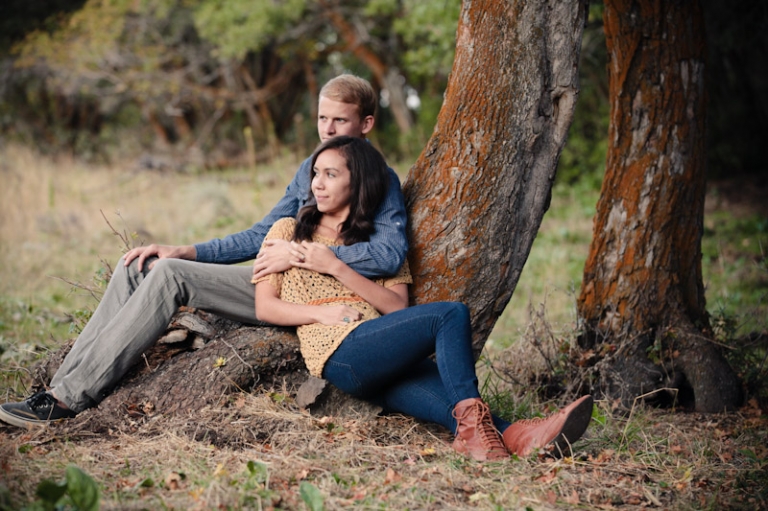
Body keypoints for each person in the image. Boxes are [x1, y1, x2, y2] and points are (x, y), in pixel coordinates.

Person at [0, 75, 408, 428]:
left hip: (319, 293)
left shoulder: (380, 179)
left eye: (340, 119)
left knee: (170, 276)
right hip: (279, 278)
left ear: (365, 123)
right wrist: (187, 250)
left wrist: (303, 257)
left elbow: (389, 255)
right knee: (142, 266)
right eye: (323, 117)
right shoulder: (312, 168)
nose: (328, 128)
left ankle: (69, 399)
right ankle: (59, 387)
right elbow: (261, 234)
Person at [252, 135, 593, 461]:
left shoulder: (380, 249)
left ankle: (520, 438)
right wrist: (320, 315)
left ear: (359, 184)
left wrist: (336, 266)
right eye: (315, 173)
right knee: (449, 315)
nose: (317, 184)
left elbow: (396, 306)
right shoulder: (288, 231)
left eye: (331, 174)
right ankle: (483, 435)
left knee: (452, 408)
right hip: (342, 354)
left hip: (381, 360)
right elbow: (265, 306)